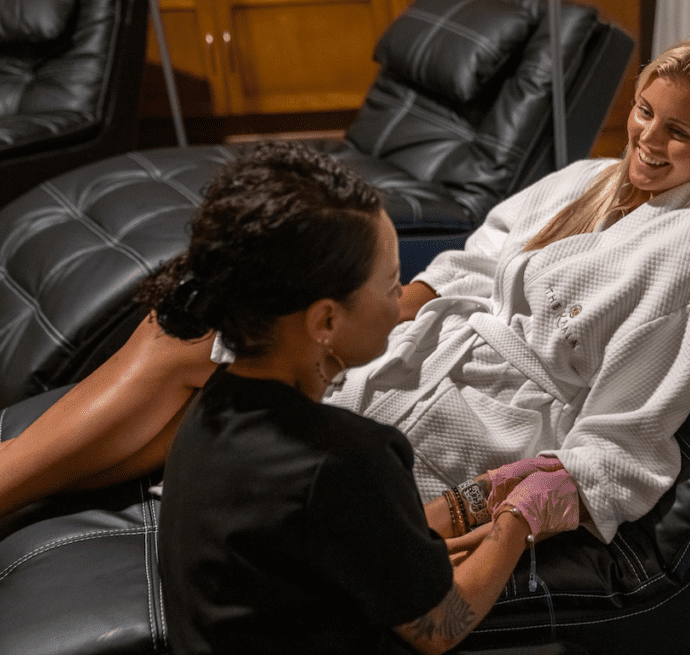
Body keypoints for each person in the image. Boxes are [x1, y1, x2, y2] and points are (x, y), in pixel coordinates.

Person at [0, 35, 690, 545]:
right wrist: (398, 307)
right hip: (423, 348)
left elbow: (624, 442)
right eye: (644, 111)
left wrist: (515, 506)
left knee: (197, 370)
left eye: (677, 132)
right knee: (187, 345)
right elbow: (478, 259)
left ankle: (10, 480)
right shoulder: (590, 179)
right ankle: (12, 481)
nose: (646, 138)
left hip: (475, 427)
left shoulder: (686, 255)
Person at [138, 141, 580, 655]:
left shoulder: (215, 404)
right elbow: (440, 625)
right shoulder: (346, 459)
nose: (402, 300)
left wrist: (473, 501)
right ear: (326, 320)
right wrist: (519, 522)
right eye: (392, 284)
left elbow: (348, 541)